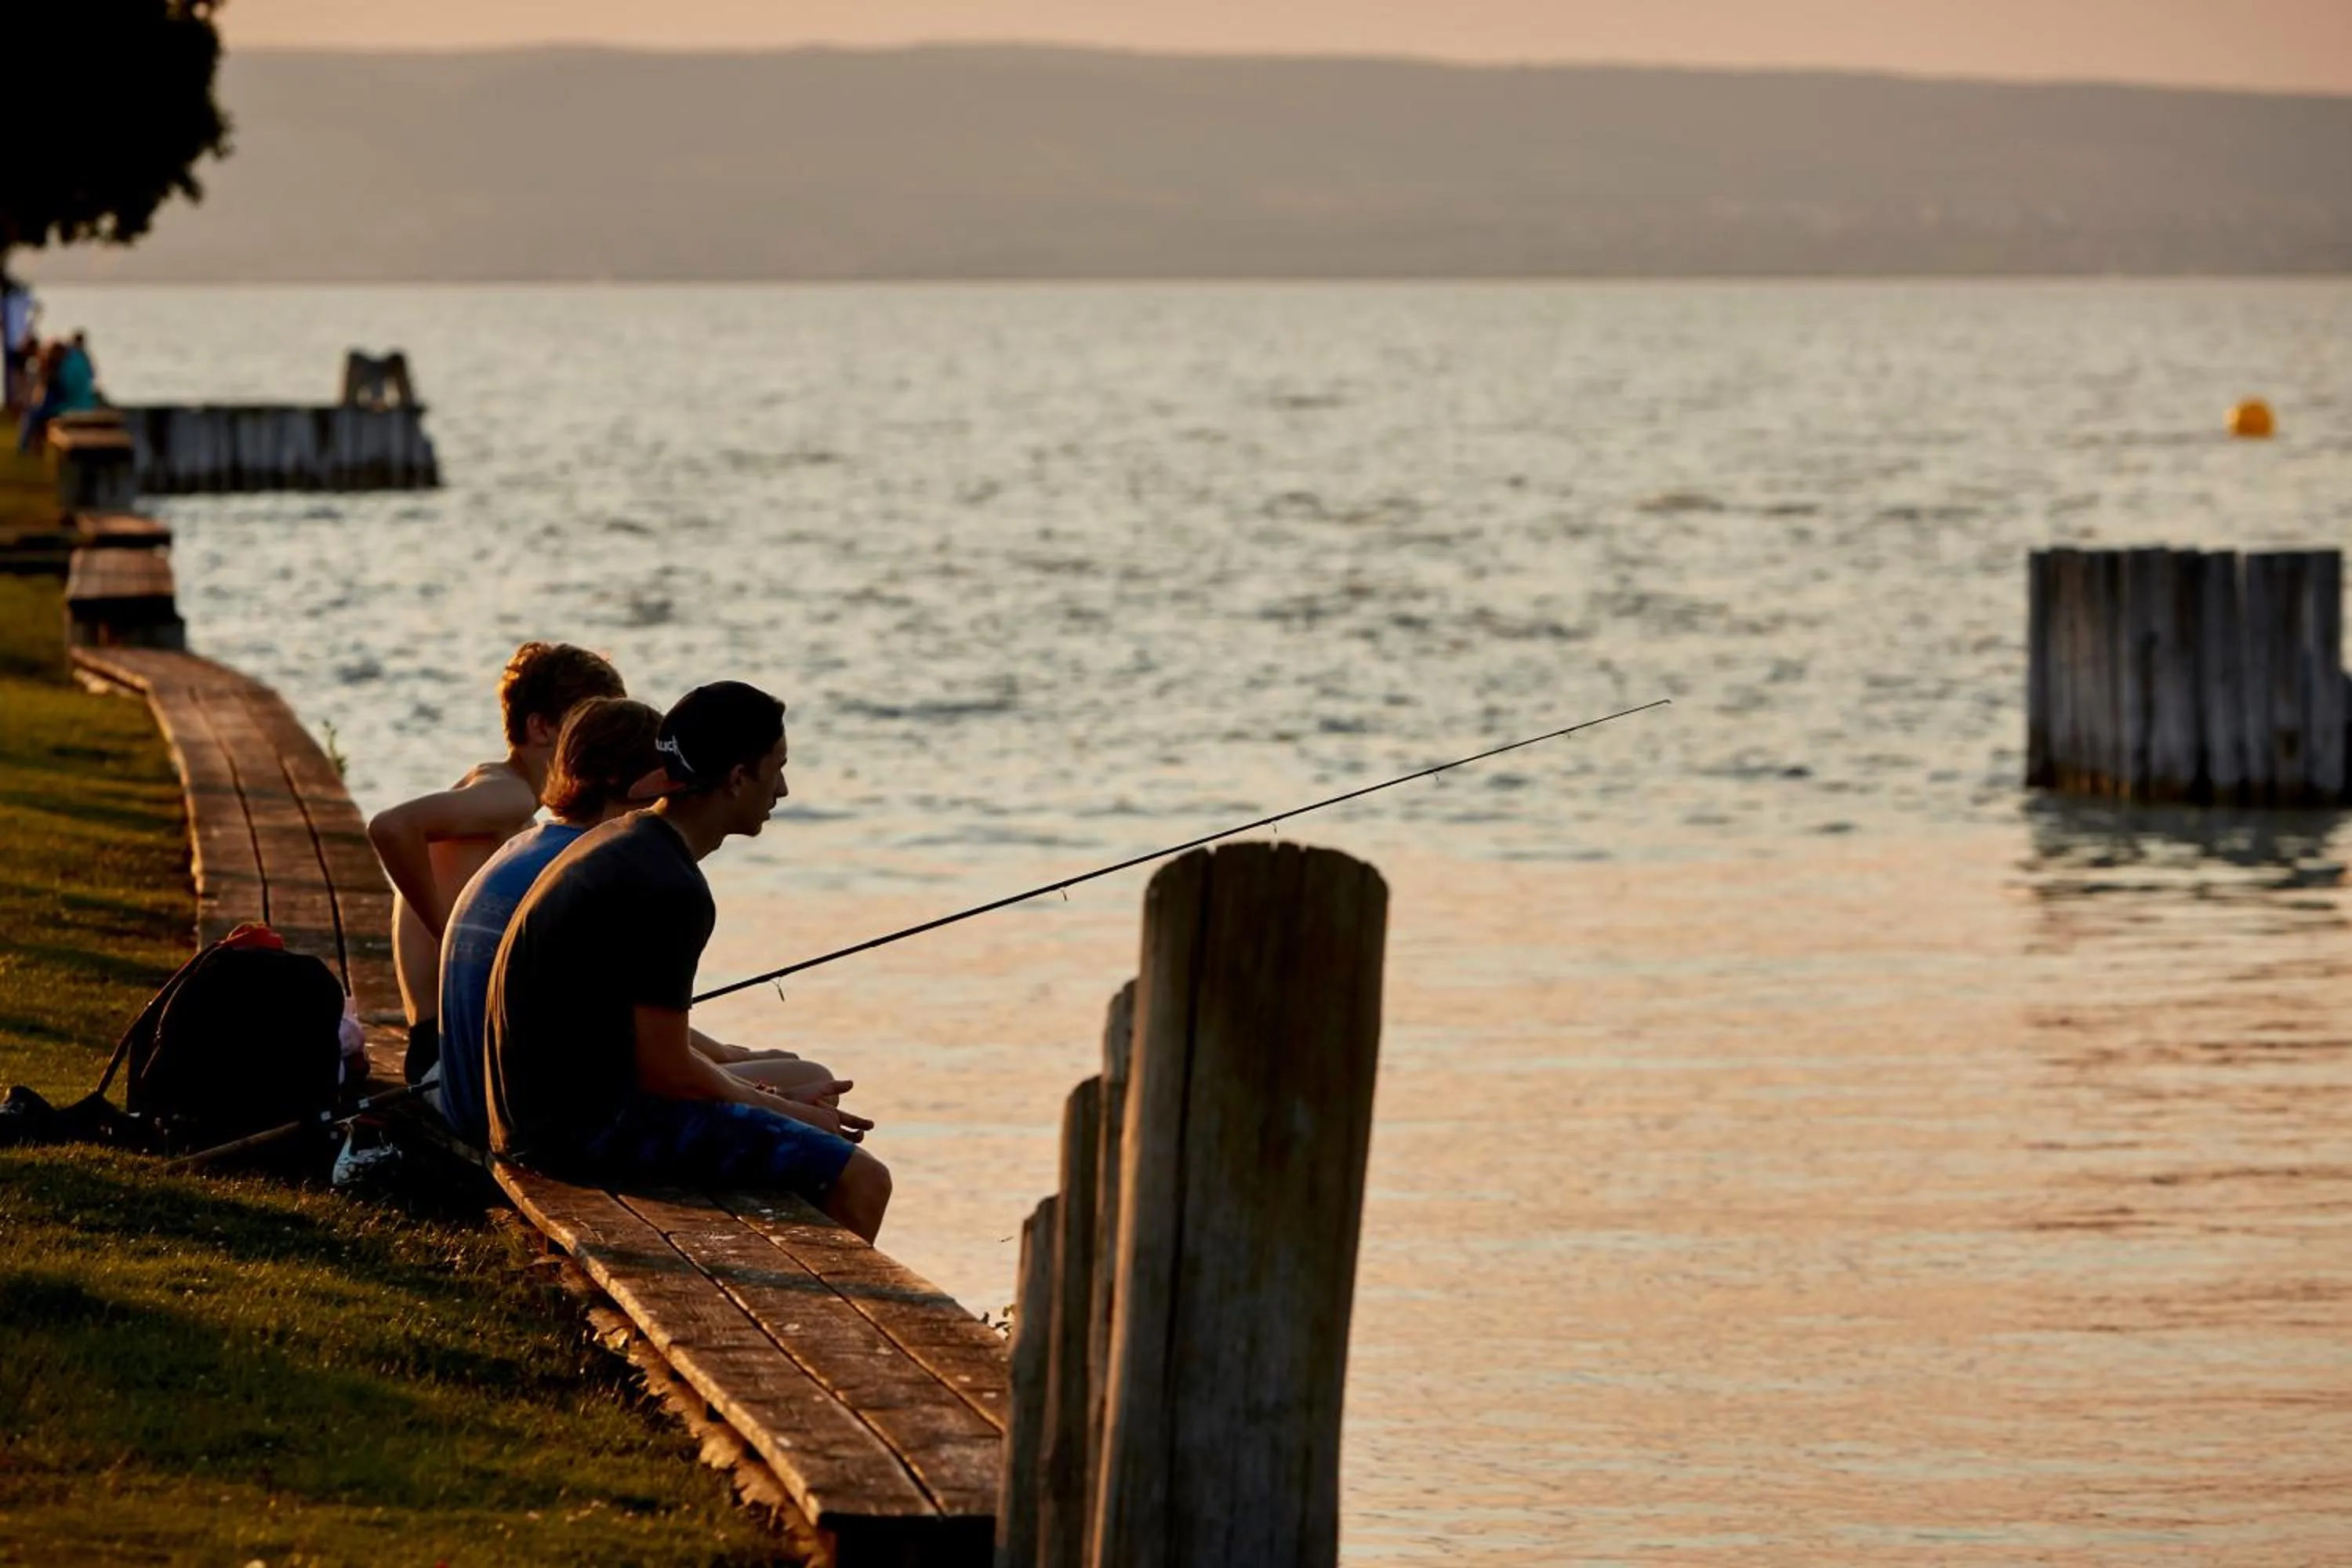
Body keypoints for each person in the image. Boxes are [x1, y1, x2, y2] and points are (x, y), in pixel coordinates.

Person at [488, 681, 892, 1240]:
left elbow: (646, 1057)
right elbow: (668, 1070)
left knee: (806, 1136)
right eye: (775, 768)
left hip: (537, 1122)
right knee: (863, 1179)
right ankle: (818, 1323)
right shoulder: (668, 885)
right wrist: (783, 1113)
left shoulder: (625, 843)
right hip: (577, 1139)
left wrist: (766, 1103)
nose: (783, 789)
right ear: (735, 779)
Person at [434, 695, 848, 1148]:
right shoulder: (623, 872)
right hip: (530, 1117)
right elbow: (660, 1064)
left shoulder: (537, 848)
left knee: (786, 1084)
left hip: (494, 1098)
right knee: (809, 1092)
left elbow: (603, 1012)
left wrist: (733, 1065)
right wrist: (774, 1101)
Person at [369, 641, 625, 1088]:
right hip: (448, 1055)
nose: (598, 749)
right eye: (587, 729)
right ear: (542, 727)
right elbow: (391, 827)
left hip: (442, 1045)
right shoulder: (509, 795)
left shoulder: (504, 794)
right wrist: (451, 936)